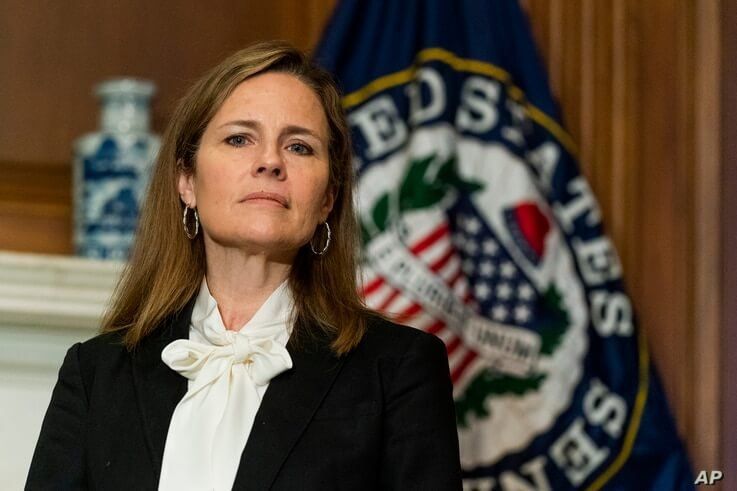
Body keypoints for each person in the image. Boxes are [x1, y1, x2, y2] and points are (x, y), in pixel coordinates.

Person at [26, 41, 462, 490]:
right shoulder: (96, 373)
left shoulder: (397, 368)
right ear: (187, 180)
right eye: (239, 139)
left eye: (299, 146)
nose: (270, 161)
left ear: (328, 199)